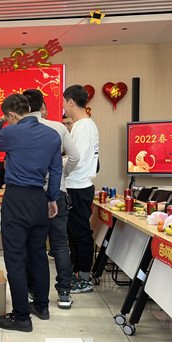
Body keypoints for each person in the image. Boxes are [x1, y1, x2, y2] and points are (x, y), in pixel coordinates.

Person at [0, 93, 62, 332]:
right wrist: (52, 199)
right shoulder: (52, 135)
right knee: (38, 255)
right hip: (39, 198)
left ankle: (21, 318)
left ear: (11, 115)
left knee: (15, 258)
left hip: (17, 198)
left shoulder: (12, 132)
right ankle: (41, 307)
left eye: (7, 118)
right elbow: (56, 171)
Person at [24, 89, 80, 309]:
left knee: (32, 244)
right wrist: (63, 173)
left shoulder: (19, 129)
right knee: (59, 244)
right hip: (58, 191)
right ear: (42, 106)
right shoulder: (58, 127)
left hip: (31, 194)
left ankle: (32, 290)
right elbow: (75, 157)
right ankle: (64, 292)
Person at [63, 85, 99, 294]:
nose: (64, 107)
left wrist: (60, 170)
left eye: (64, 103)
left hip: (78, 186)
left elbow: (74, 159)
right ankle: (78, 273)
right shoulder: (86, 124)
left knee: (81, 233)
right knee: (75, 233)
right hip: (79, 185)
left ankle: (84, 278)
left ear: (70, 102)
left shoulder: (82, 126)